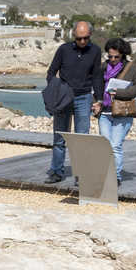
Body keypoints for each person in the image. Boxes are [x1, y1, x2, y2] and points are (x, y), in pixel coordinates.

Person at [43, 20, 103, 182]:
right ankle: (56, 172)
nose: (82, 41)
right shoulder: (63, 50)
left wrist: (99, 100)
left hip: (84, 98)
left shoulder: (96, 51)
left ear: (90, 36)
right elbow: (51, 73)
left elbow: (97, 76)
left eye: (86, 38)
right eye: (79, 38)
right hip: (63, 98)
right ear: (73, 36)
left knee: (82, 139)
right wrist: (56, 90)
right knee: (59, 137)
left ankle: (81, 175)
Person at [94, 38, 136, 183]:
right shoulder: (103, 67)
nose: (112, 59)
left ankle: (115, 177)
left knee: (115, 146)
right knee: (105, 146)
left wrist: (119, 93)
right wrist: (96, 102)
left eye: (116, 56)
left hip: (122, 112)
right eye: (109, 56)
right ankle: (106, 173)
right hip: (104, 112)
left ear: (123, 54)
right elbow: (97, 86)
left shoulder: (132, 68)